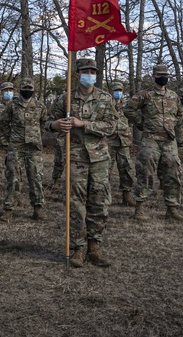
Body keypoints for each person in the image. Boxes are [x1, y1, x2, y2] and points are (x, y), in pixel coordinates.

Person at [48, 57, 117, 268]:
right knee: (75, 205)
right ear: (77, 74)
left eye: (93, 72)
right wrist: (55, 125)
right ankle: (77, 248)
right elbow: (47, 122)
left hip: (99, 159)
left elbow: (111, 126)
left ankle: (93, 247)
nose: (90, 75)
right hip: (75, 157)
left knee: (99, 203)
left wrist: (83, 124)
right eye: (86, 71)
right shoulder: (65, 99)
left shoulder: (105, 99)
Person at [123, 63, 183, 221]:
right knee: (145, 172)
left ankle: (172, 209)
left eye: (165, 75)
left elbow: (180, 114)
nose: (163, 78)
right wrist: (142, 123)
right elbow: (128, 109)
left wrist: (172, 124)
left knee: (173, 173)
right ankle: (140, 208)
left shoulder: (173, 96)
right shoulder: (145, 95)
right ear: (153, 76)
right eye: (159, 75)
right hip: (151, 139)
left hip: (169, 140)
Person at [2, 77, 49, 222]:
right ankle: (8, 209)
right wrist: (9, 140)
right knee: (14, 178)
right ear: (20, 89)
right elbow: (4, 124)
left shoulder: (40, 106)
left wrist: (37, 137)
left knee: (36, 178)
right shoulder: (12, 105)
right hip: (16, 147)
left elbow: (44, 124)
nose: (27, 90)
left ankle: (38, 208)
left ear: (33, 89)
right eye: (25, 88)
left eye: (30, 88)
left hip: (34, 148)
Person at [106, 80, 136, 207]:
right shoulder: (106, 105)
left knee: (126, 169)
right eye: (115, 90)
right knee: (105, 170)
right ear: (111, 91)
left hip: (123, 142)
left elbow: (133, 121)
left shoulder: (127, 107)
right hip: (108, 141)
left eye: (120, 91)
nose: (118, 93)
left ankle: (126, 195)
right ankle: (105, 197)